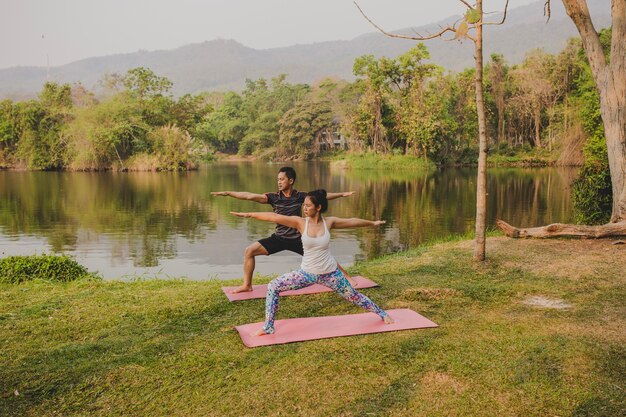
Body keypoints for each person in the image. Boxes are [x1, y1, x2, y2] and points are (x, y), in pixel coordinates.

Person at [231, 189, 394, 336]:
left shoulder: (329, 222)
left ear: (319, 207)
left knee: (354, 296)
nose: (304, 208)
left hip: (331, 274)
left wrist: (372, 223)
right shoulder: (300, 222)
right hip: (306, 274)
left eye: (308, 205)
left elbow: (352, 221)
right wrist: (250, 215)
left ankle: (382, 314)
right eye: (304, 205)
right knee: (273, 286)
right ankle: (268, 327)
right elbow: (274, 217)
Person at [212, 166, 355, 293]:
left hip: (298, 239)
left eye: (282, 179)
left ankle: (347, 277)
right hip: (279, 238)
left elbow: (322, 197)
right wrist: (228, 193)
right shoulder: (273, 197)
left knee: (324, 256)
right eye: (278, 179)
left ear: (291, 181)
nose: (279, 182)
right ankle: (247, 285)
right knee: (249, 251)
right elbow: (250, 196)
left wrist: (341, 194)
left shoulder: (300, 196)